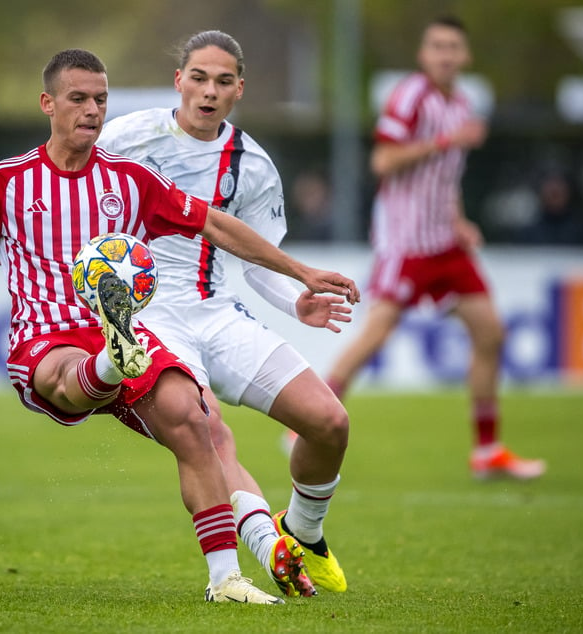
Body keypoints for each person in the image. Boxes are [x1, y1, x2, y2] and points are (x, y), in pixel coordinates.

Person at [0, 49, 358, 605]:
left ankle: (226, 580)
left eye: (100, 99)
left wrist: (302, 272)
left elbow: (217, 225)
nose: (92, 110)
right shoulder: (6, 182)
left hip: (125, 335)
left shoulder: (132, 179)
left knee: (192, 420)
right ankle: (108, 361)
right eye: (78, 99)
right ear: (48, 104)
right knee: (73, 374)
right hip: (45, 343)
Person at [99, 30, 352, 596]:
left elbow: (258, 259)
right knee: (208, 426)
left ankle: (304, 532)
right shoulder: (125, 138)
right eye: (198, 78)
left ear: (239, 89)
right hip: (148, 315)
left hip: (216, 311)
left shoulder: (253, 164)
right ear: (178, 81)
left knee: (330, 423)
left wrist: (296, 300)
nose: (208, 92)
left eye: (221, 81)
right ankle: (264, 549)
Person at [324, 16, 546, 480]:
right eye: (437, 46)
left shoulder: (462, 103)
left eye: (453, 47)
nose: (445, 55)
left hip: (445, 244)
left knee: (491, 333)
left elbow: (446, 177)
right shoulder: (410, 97)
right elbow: (383, 160)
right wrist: (444, 140)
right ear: (424, 55)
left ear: (464, 56)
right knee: (377, 333)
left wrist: (459, 220)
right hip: (405, 243)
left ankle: (487, 452)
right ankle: (312, 418)